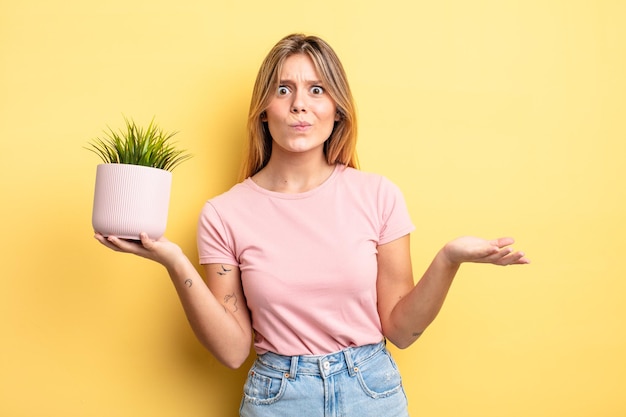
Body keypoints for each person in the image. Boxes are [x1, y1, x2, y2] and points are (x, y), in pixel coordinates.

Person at [95, 33, 530, 417]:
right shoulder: (224, 213)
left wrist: (449, 258)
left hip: (371, 393)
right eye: (283, 90)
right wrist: (174, 261)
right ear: (264, 111)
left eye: (316, 90)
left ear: (337, 109)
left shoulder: (378, 195)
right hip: (278, 397)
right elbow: (231, 351)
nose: (299, 104)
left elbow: (400, 331)